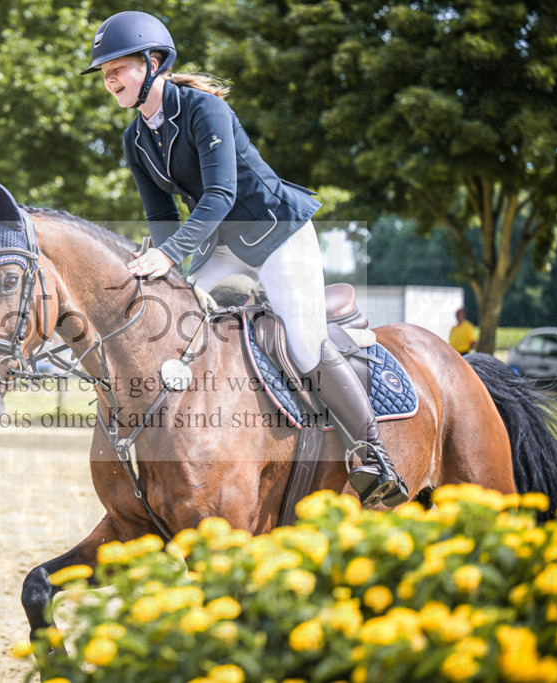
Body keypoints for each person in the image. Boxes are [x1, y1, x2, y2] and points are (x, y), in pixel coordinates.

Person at [81, 11, 407, 506]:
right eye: (104, 73)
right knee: (174, 322)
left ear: (153, 62)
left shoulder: (204, 109)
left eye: (117, 68)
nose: (109, 80)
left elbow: (220, 193)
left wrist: (169, 256)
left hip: (277, 235)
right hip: (222, 246)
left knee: (304, 347)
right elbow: (161, 214)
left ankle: (372, 454)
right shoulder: (136, 138)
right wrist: (166, 267)